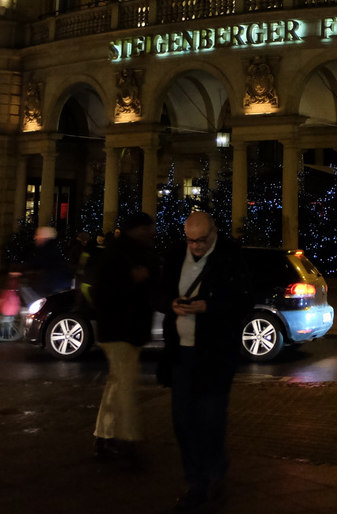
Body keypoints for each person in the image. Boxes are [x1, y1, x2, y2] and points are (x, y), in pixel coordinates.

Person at [158, 211, 250, 512]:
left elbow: (242, 301)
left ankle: (214, 476)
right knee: (182, 420)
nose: (195, 246)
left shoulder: (230, 256)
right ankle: (196, 482)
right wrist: (170, 304)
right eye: (190, 240)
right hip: (181, 352)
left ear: (213, 233)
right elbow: (159, 292)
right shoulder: (174, 254)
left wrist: (207, 306)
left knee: (211, 418)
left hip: (214, 353)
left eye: (201, 240)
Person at [92, 211, 157, 463]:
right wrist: (133, 280)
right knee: (125, 388)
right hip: (122, 331)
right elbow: (105, 294)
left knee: (117, 385)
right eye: (147, 229)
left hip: (121, 330)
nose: (151, 233)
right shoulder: (122, 256)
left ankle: (104, 437)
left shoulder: (122, 252)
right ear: (137, 229)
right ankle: (127, 441)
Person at [22, 226, 73, 305]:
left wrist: (23, 271)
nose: (35, 237)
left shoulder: (46, 248)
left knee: (26, 289)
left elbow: (37, 262)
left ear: (44, 237)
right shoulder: (55, 247)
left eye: (37, 235)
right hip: (61, 282)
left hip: (52, 283)